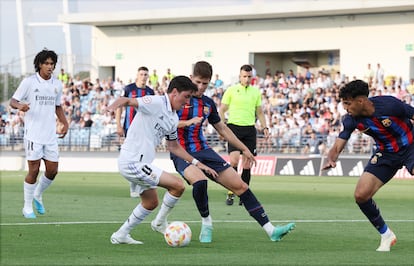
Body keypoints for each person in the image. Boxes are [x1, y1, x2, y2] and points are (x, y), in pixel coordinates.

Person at [156, 61, 295, 243]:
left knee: (241, 186)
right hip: (181, 151)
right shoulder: (179, 100)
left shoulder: (208, 103)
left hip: (204, 150)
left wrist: (244, 148)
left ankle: (271, 230)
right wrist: (187, 123)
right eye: (197, 82)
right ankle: (207, 223)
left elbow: (222, 128)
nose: (200, 87)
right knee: (200, 181)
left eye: (205, 84)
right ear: (191, 79)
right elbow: (167, 124)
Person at [107, 75, 218, 245]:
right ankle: (159, 223)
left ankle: (121, 234)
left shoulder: (173, 118)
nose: (187, 102)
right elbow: (127, 101)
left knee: (151, 202)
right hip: (132, 161)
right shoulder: (156, 102)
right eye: (186, 96)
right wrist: (111, 107)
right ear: (174, 92)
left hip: (143, 163)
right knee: (178, 185)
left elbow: (174, 147)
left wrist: (198, 163)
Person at [321, 79, 412, 252]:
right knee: (361, 195)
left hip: (411, 146)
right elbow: (338, 145)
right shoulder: (351, 120)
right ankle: (386, 235)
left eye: (348, 104)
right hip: (386, 154)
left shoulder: (390, 105)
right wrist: (331, 158)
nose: (346, 109)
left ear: (360, 101)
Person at [9, 49, 69, 219]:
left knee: (52, 170)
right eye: (47, 63)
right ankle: (27, 207)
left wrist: (64, 122)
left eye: (52, 64)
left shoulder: (57, 84)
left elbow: (57, 106)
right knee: (33, 171)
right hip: (33, 135)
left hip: (50, 135)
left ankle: (37, 194)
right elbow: (14, 101)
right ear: (40, 65)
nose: (50, 67)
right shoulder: (29, 82)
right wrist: (20, 106)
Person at [219, 64, 270, 205]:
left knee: (247, 164)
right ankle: (231, 192)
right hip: (234, 129)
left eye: (249, 77)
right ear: (240, 76)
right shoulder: (231, 90)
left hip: (249, 129)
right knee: (234, 161)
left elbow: (259, 112)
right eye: (244, 76)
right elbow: (222, 110)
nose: (246, 79)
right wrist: (222, 126)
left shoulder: (256, 92)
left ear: (252, 77)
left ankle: (244, 195)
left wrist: (265, 127)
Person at [115, 66, 154, 198]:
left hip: (145, 129)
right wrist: (118, 125)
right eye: (142, 74)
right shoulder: (128, 89)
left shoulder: (150, 92)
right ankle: (133, 186)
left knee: (143, 156)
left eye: (145, 75)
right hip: (130, 128)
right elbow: (119, 106)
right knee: (131, 156)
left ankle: (139, 184)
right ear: (137, 75)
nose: (144, 77)